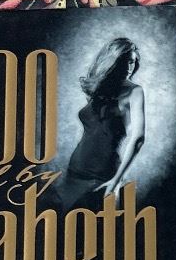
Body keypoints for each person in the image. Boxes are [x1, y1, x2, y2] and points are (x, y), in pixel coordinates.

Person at [48, 35, 145, 209]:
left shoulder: (135, 91)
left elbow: (138, 139)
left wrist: (116, 181)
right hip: (74, 170)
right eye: (123, 61)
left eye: (132, 62)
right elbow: (95, 129)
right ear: (112, 62)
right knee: (64, 221)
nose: (128, 67)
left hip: (103, 175)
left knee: (97, 223)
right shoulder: (100, 88)